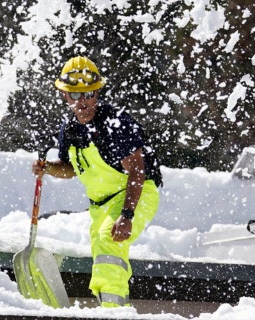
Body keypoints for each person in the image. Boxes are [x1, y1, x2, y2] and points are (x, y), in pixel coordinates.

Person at [31, 56, 162, 307]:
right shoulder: (69, 127)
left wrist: (127, 215)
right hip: (100, 205)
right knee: (104, 258)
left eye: (89, 94)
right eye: (75, 95)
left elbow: (137, 172)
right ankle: (110, 305)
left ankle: (112, 312)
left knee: (108, 239)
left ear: (98, 92)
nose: (83, 102)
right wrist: (47, 168)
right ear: (65, 96)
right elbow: (71, 169)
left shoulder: (116, 124)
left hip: (135, 194)